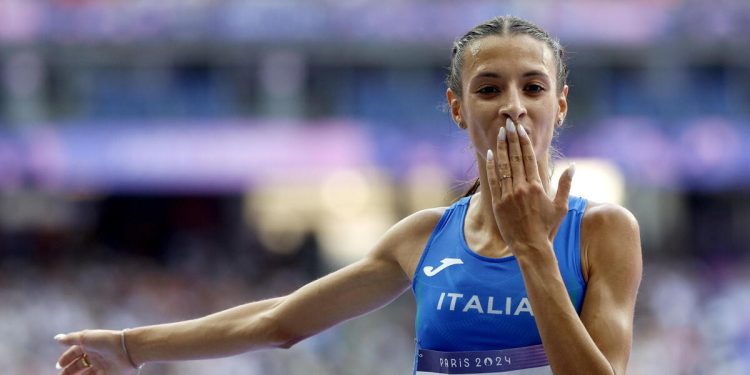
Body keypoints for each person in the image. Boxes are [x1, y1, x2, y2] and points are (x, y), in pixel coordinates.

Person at [55, 16, 642, 375]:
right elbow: (278, 322)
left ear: (559, 106)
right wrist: (131, 348)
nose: (513, 103)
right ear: (458, 108)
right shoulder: (424, 237)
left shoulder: (603, 232)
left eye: (533, 87)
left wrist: (534, 249)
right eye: (489, 88)